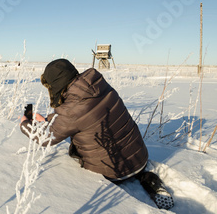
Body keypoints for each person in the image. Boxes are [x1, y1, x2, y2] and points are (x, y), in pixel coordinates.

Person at [19, 59, 174, 209]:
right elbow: (84, 116)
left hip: (113, 171)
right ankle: (146, 178)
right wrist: (48, 120)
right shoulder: (100, 86)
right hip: (139, 156)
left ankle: (125, 194)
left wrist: (24, 123)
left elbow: (46, 137)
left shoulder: (72, 109)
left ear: (56, 84)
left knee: (74, 151)